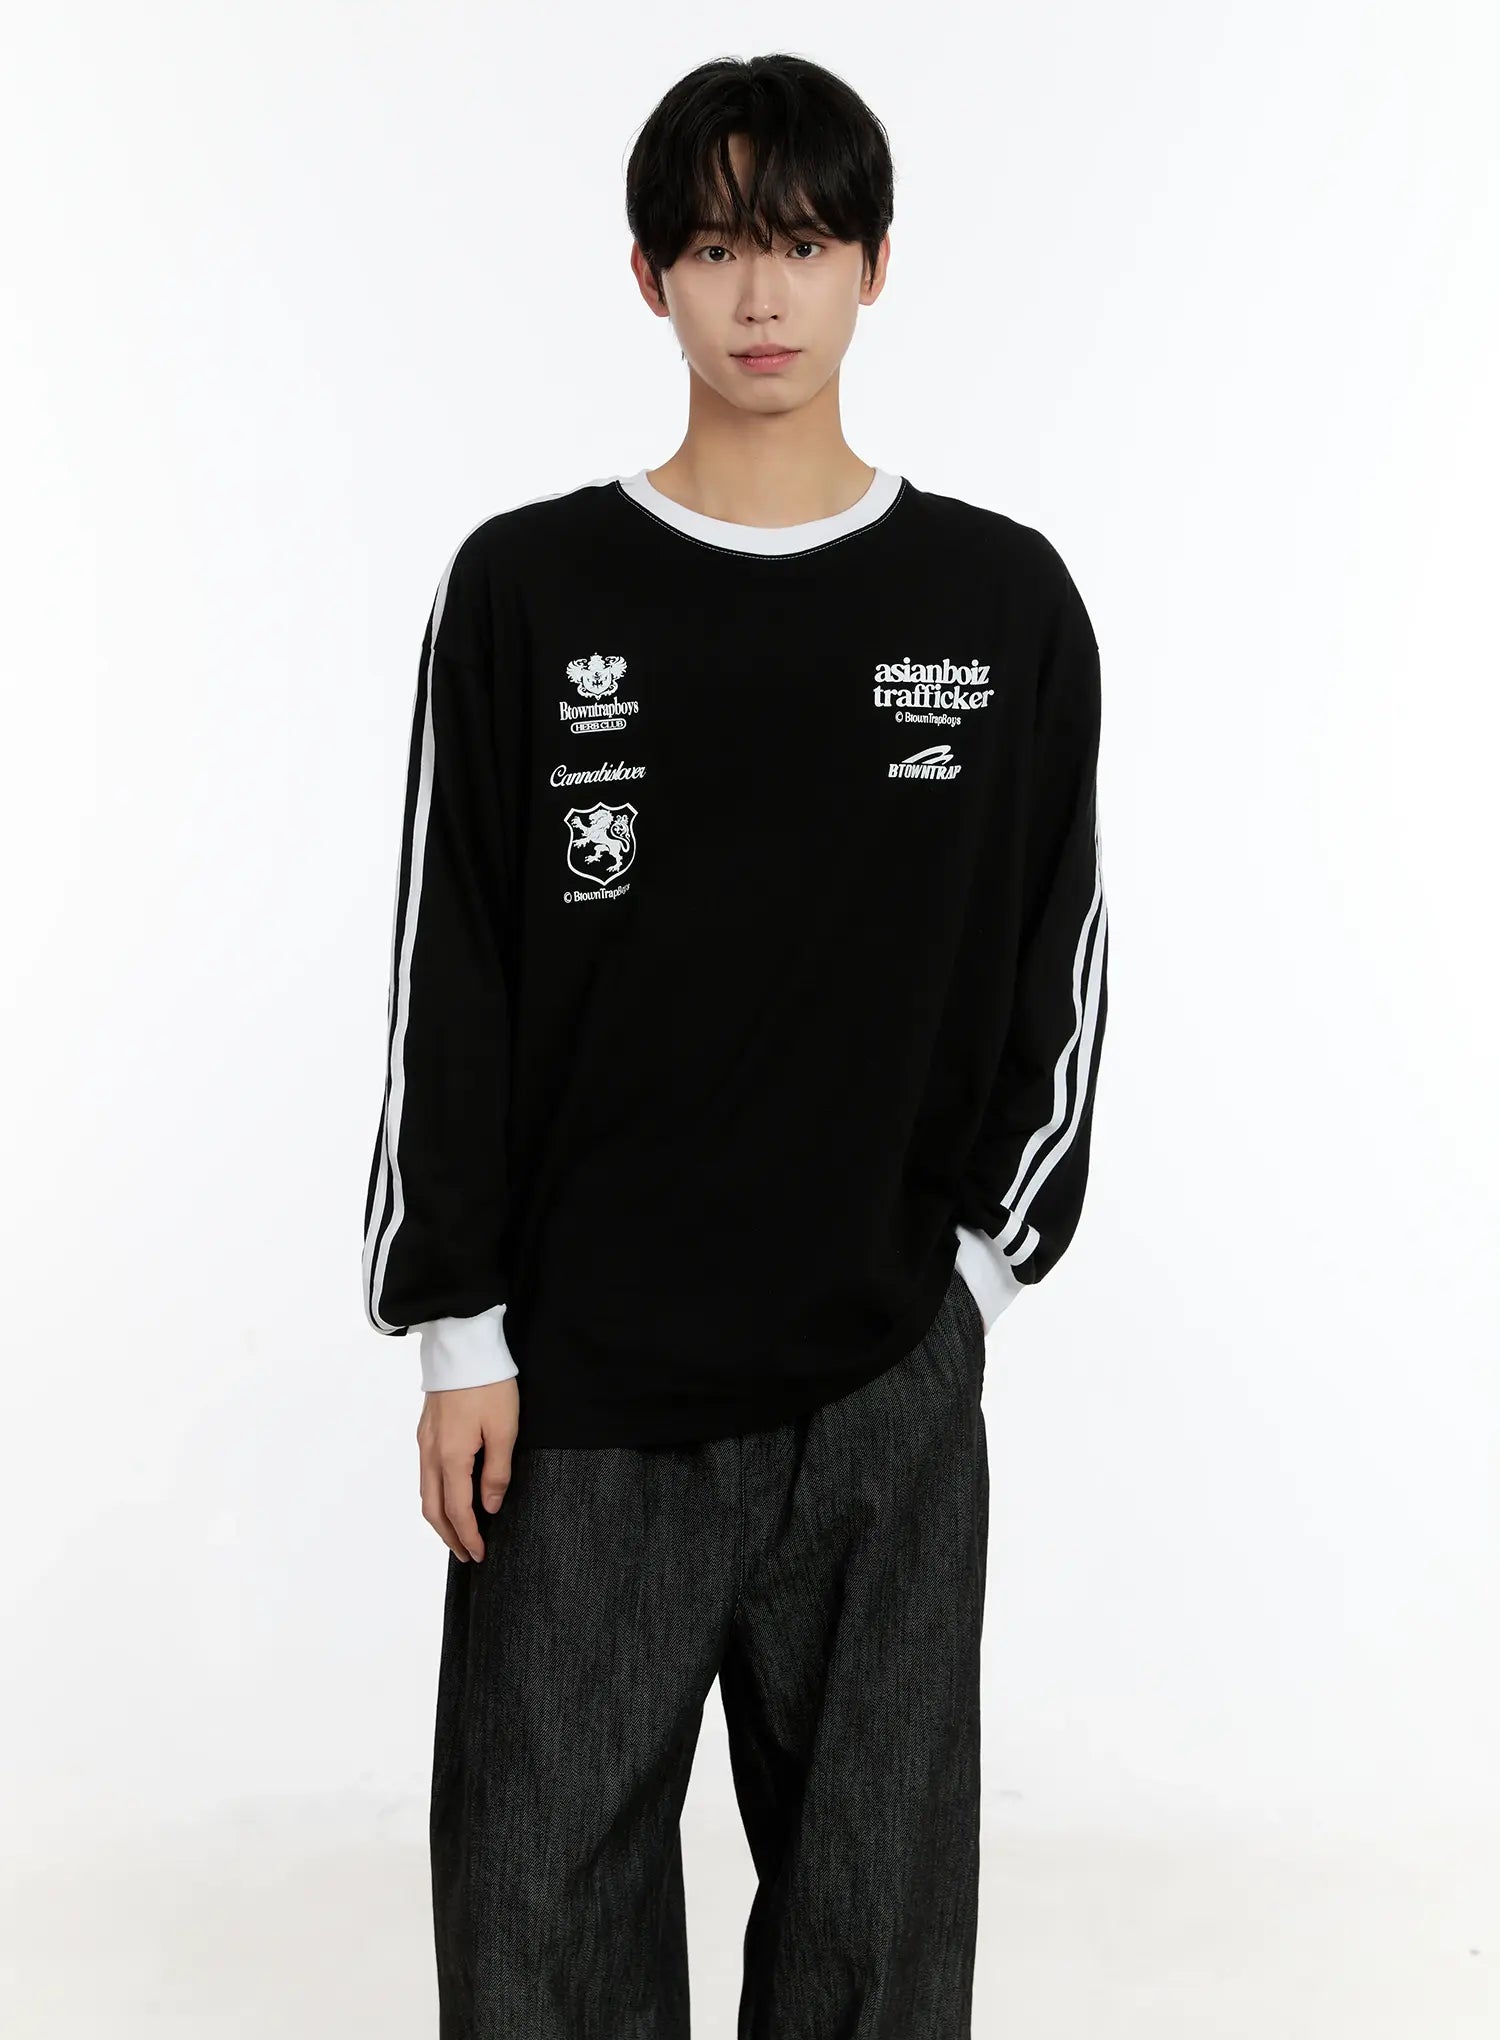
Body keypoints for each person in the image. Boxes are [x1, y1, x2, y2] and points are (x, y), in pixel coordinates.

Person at [360, 50, 1109, 2040]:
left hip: (881, 1391)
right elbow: (453, 966)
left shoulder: (1002, 603)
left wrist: (971, 1286)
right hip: (579, 1398)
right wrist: (457, 1330)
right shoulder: (527, 590)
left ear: (876, 264)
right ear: (647, 278)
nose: (760, 294)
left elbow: (1060, 964)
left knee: (876, 1953)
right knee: (536, 1943)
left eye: (801, 243)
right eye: (712, 248)